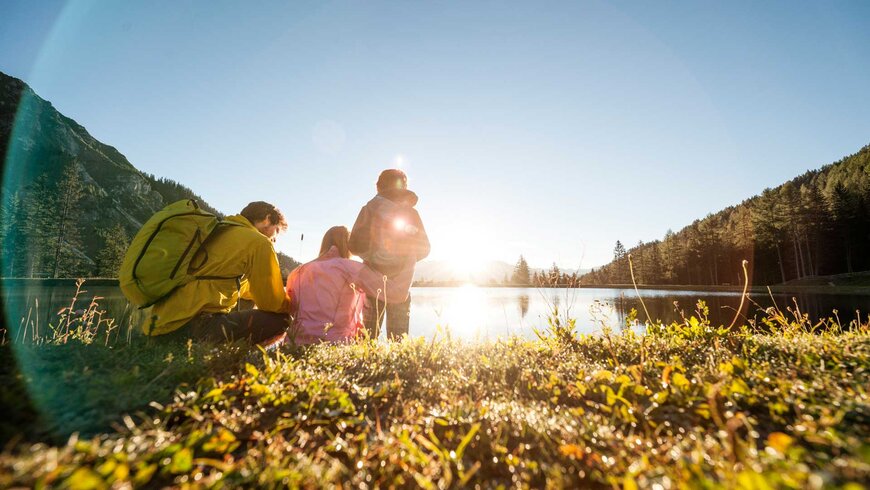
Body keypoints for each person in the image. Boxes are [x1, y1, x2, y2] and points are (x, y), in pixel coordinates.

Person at [146, 201, 291, 344]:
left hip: (159, 326)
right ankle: (239, 359)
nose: (275, 239)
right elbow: (272, 303)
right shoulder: (259, 242)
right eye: (276, 231)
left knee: (248, 299)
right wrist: (295, 305)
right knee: (281, 320)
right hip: (194, 328)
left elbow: (246, 289)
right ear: (267, 219)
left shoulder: (219, 230)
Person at [285, 226, 413, 344]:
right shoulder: (351, 268)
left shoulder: (297, 272)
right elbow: (397, 294)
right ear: (349, 246)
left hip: (294, 342)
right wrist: (410, 259)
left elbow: (291, 310)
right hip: (335, 343)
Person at [349, 169, 430, 339]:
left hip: (372, 283)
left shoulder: (368, 210)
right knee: (399, 340)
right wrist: (406, 259)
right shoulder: (411, 214)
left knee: (366, 340)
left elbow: (354, 246)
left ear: (379, 187)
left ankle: (364, 365)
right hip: (401, 284)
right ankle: (399, 365)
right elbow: (425, 248)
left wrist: (373, 256)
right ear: (404, 187)